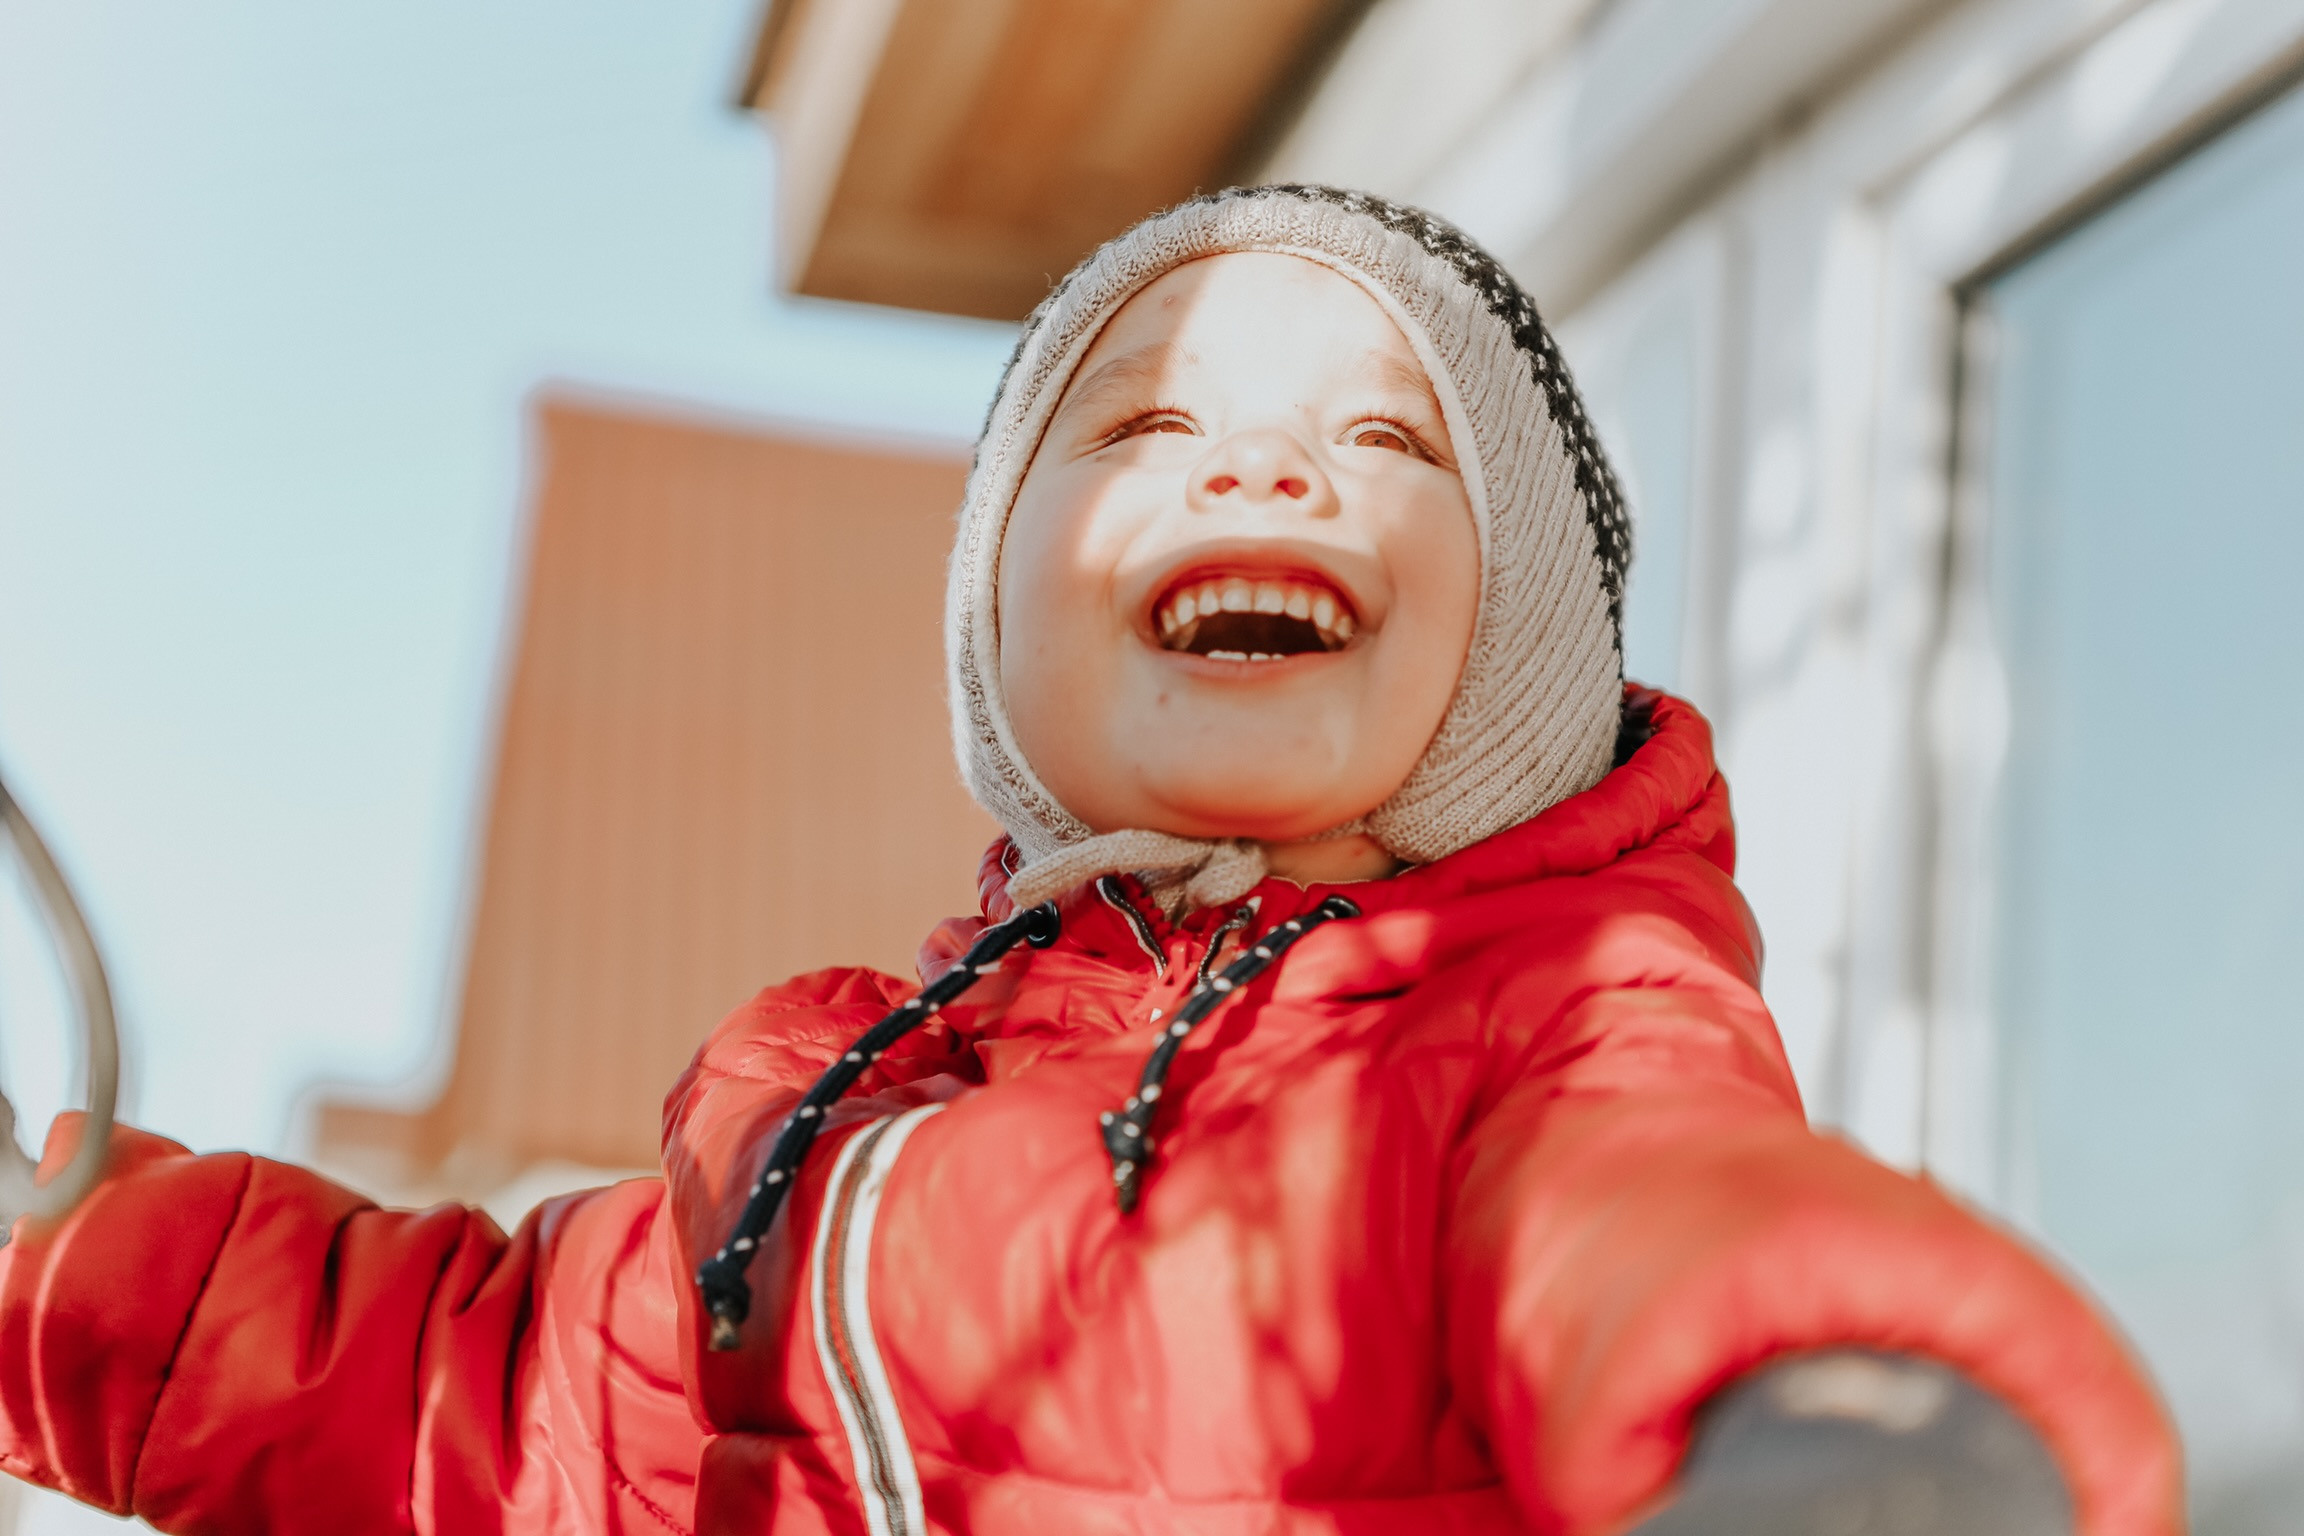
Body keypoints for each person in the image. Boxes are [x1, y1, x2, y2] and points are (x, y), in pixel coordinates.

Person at [0, 186, 2179, 1535]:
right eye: (1142, 423)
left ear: (1515, 646)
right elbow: (461, 1396)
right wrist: (41, 1269)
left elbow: (1661, 1200)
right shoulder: (819, 1115)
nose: (1253, 453)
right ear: (997, 624)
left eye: (1383, 438)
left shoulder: (1528, 1037)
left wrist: (1846, 1415)